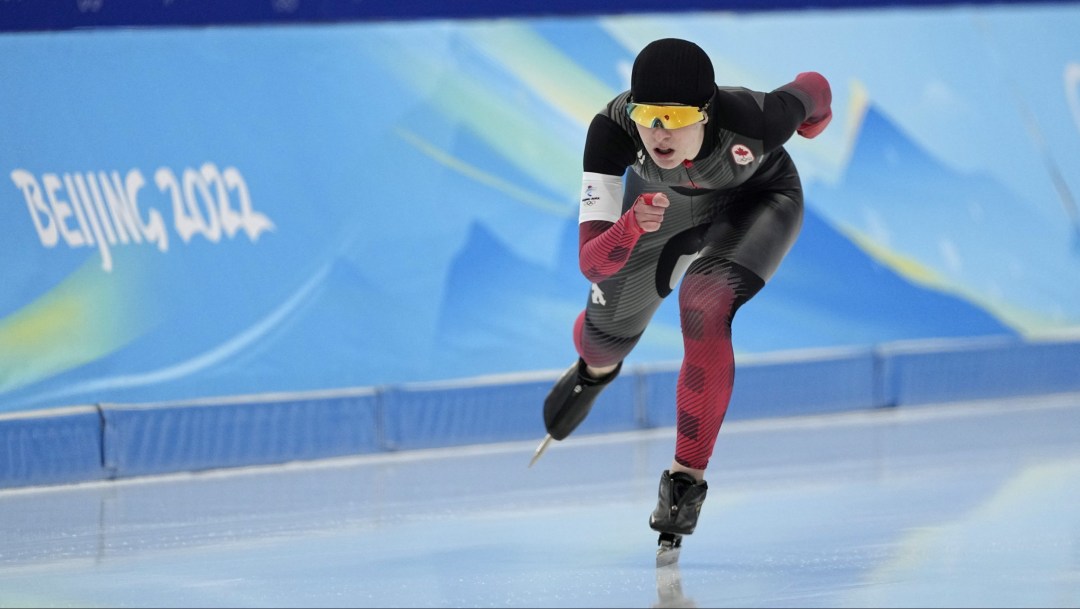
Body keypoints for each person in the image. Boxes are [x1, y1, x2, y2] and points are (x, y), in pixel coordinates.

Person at [531, 38, 832, 552]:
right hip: (658, 210)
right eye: (648, 115)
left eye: (674, 117)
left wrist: (813, 119)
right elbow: (591, 263)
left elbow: (813, 88)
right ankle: (593, 370)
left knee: (704, 300)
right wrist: (628, 227)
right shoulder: (611, 132)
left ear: (708, 112)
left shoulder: (755, 118)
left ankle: (684, 483)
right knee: (604, 343)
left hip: (759, 199)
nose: (658, 133)